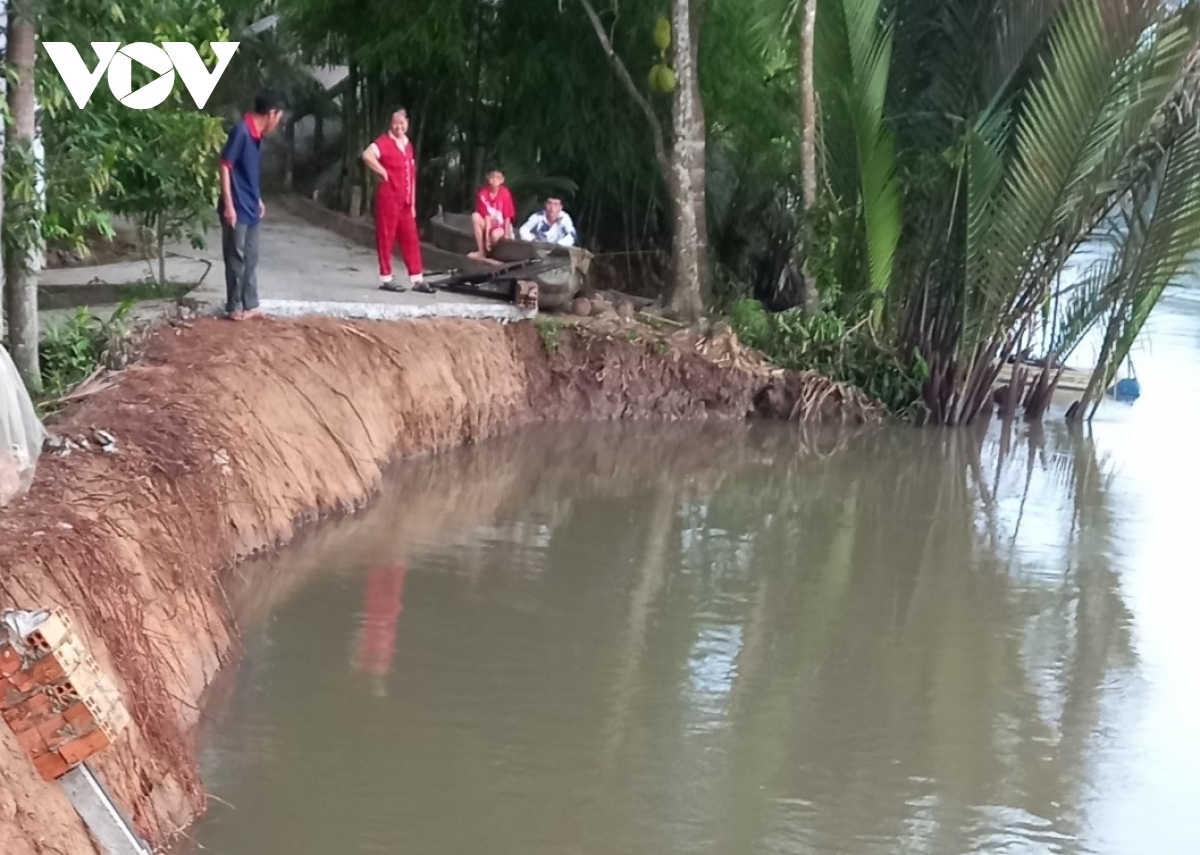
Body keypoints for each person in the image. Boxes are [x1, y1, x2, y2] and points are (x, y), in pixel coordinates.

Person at [219, 90, 288, 320]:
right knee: (235, 257)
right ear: (271, 114)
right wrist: (228, 205)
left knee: (250, 256)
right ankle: (234, 306)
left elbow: (247, 171)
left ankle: (250, 303)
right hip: (236, 205)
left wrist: (257, 198)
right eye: (279, 117)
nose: (278, 123)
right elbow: (225, 165)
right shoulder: (242, 131)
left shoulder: (257, 135)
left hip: (250, 204)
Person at [362, 108, 433, 293]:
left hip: (406, 201)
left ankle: (417, 278)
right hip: (389, 197)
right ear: (390, 124)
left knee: (411, 238)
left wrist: (413, 203)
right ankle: (386, 277)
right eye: (395, 123)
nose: (398, 126)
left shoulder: (408, 145)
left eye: (402, 123)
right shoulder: (384, 142)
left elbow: (412, 175)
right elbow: (367, 155)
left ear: (407, 123)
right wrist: (382, 171)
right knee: (386, 237)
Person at [470, 168, 516, 262]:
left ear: (502, 179)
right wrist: (486, 236)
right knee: (475, 216)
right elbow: (486, 216)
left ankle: (490, 251)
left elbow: (508, 216)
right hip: (488, 224)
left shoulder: (505, 193)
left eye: (498, 177)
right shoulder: (482, 193)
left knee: (495, 235)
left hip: (501, 226)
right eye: (492, 177)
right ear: (487, 177)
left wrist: (506, 234)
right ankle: (481, 251)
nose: (495, 180)